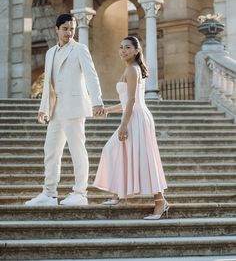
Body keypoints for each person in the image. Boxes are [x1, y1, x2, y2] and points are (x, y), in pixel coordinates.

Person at [25, 13, 104, 207]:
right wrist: (43, 108)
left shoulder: (80, 49)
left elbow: (91, 76)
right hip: (56, 108)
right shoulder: (50, 52)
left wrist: (97, 101)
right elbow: (47, 86)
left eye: (72, 29)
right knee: (50, 150)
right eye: (66, 28)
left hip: (75, 107)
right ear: (57, 29)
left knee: (77, 150)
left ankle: (80, 192)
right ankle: (49, 194)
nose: (69, 32)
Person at [93, 36, 168, 220]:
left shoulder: (132, 70)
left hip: (137, 118)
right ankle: (117, 194)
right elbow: (126, 101)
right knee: (115, 151)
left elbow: (133, 100)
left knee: (144, 158)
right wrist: (109, 111)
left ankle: (160, 202)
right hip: (134, 115)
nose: (123, 50)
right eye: (121, 47)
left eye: (127, 47)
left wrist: (124, 125)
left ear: (136, 50)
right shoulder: (129, 69)